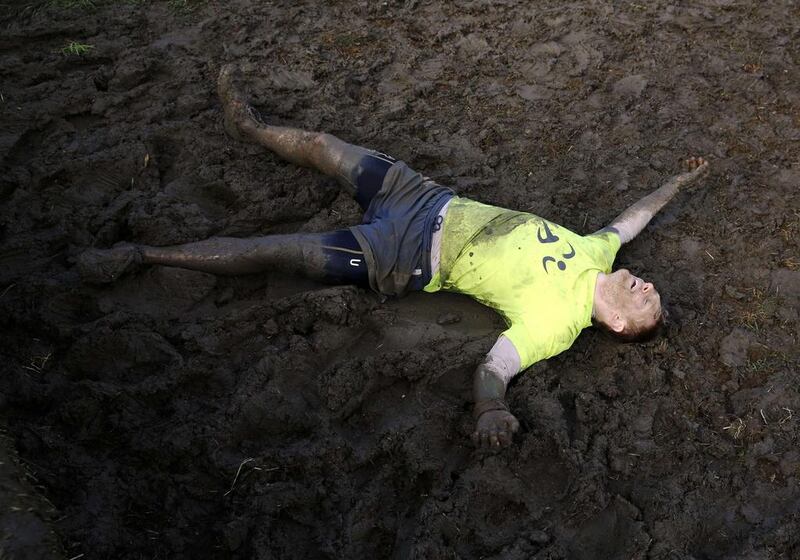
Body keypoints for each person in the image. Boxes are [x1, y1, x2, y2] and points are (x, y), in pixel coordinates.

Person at [78, 65, 710, 449]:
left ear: (618, 324)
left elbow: (494, 367)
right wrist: (675, 186)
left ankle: (146, 254)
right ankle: (247, 125)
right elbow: (634, 218)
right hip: (425, 198)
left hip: (404, 254)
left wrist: (491, 409)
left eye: (646, 300)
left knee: (280, 251)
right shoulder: (599, 251)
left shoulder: (558, 323)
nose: (648, 285)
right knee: (325, 146)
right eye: (651, 288)